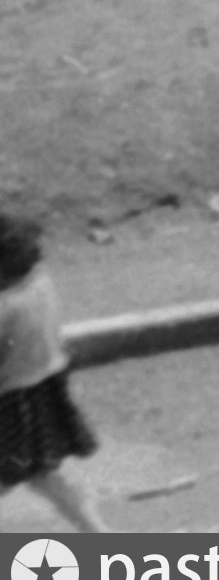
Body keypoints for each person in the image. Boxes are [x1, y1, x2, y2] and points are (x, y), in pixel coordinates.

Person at [2, 204, 121, 533]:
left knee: (22, 472)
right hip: (44, 390)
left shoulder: (5, 309)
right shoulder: (39, 283)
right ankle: (98, 533)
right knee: (42, 473)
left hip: (10, 402)